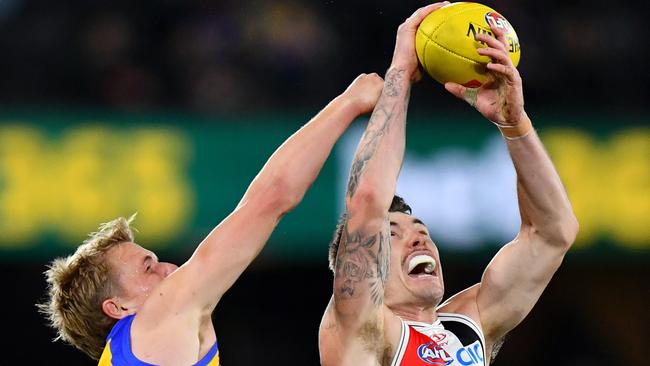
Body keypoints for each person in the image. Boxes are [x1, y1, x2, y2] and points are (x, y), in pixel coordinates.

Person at [39, 72, 384, 365]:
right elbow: (271, 199)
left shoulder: (135, 352)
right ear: (118, 307)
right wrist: (349, 102)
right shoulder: (154, 322)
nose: (170, 269)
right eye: (148, 267)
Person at [318, 3, 579, 365]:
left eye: (421, 229)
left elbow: (552, 234)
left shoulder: (469, 325)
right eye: (392, 234)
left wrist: (514, 124)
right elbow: (366, 204)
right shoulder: (362, 328)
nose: (419, 237)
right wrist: (401, 72)